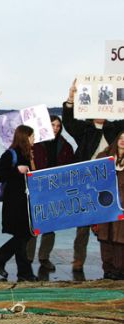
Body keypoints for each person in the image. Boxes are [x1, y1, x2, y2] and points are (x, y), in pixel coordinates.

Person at [63, 79, 124, 272]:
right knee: (83, 227)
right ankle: (78, 261)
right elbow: (69, 122)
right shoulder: (84, 130)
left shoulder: (115, 129)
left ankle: (114, 265)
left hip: (112, 185)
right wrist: (71, 98)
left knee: (112, 227)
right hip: (87, 184)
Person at [0, 125, 37, 282]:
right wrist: (17, 170)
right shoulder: (10, 154)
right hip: (14, 203)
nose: (34, 139)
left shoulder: (29, 155)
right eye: (32, 136)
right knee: (23, 235)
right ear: (25, 137)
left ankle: (22, 271)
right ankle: (11, 266)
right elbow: (0, 176)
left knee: (23, 237)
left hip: (26, 202)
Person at [26, 115, 74, 271]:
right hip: (36, 188)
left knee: (50, 225)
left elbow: (72, 168)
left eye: (58, 126)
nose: (55, 128)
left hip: (55, 190)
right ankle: (28, 258)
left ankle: (44, 257)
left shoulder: (66, 146)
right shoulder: (34, 144)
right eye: (52, 125)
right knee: (33, 225)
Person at [94, 131, 124, 280]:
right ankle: (108, 269)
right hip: (105, 206)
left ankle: (120, 270)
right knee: (105, 238)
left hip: (122, 208)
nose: (123, 141)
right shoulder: (104, 157)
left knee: (120, 240)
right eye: (121, 138)